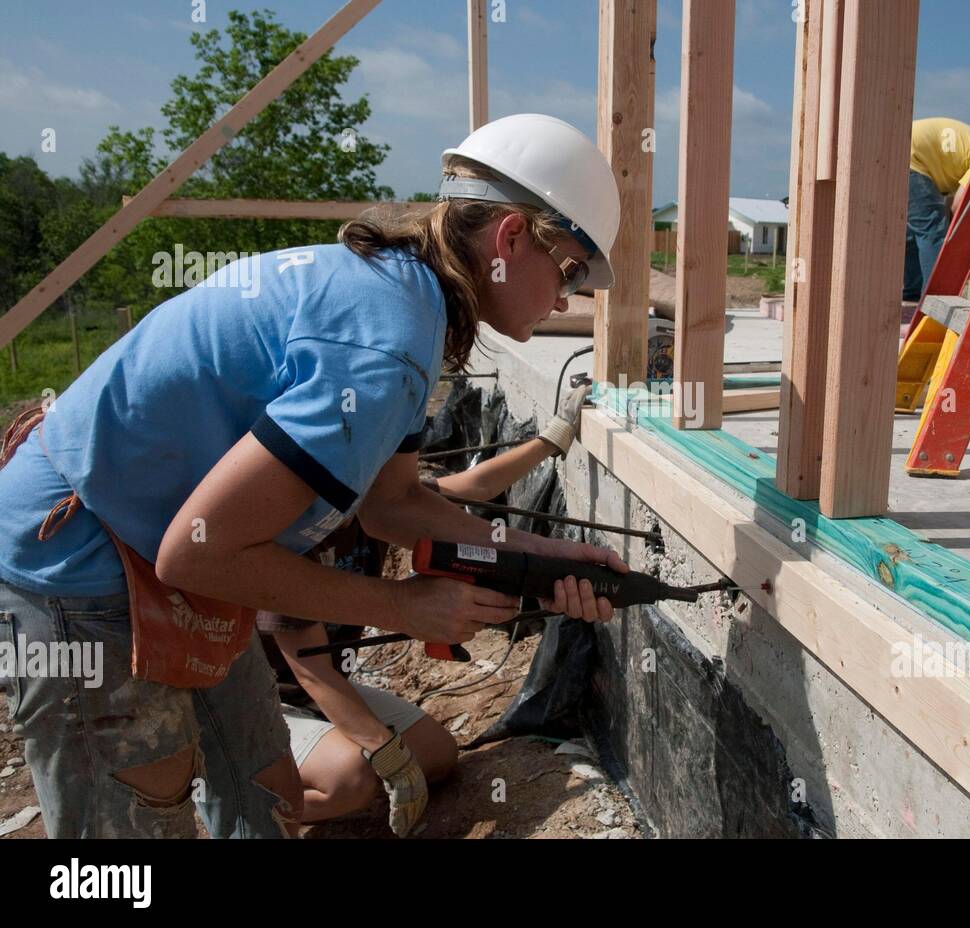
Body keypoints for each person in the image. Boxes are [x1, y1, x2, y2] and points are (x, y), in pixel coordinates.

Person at [0, 112, 626, 839]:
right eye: (572, 271)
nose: (564, 300)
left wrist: (547, 555)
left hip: (169, 553)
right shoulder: (384, 342)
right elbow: (197, 552)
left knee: (261, 786)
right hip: (84, 566)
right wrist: (405, 608)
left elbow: (394, 505)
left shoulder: (409, 303)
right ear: (511, 237)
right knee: (128, 838)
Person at [260, 386, 590, 836]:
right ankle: (246, 799)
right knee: (351, 780)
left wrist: (551, 439)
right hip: (270, 700)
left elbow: (474, 486)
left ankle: (328, 756)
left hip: (322, 687)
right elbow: (312, 672)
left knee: (436, 755)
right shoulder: (293, 534)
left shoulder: (374, 507)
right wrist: (385, 754)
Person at [904, 117, 970, 302]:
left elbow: (954, 204)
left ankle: (913, 292)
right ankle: (935, 297)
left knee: (914, 233)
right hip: (912, 157)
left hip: (905, 150)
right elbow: (959, 205)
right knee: (932, 229)